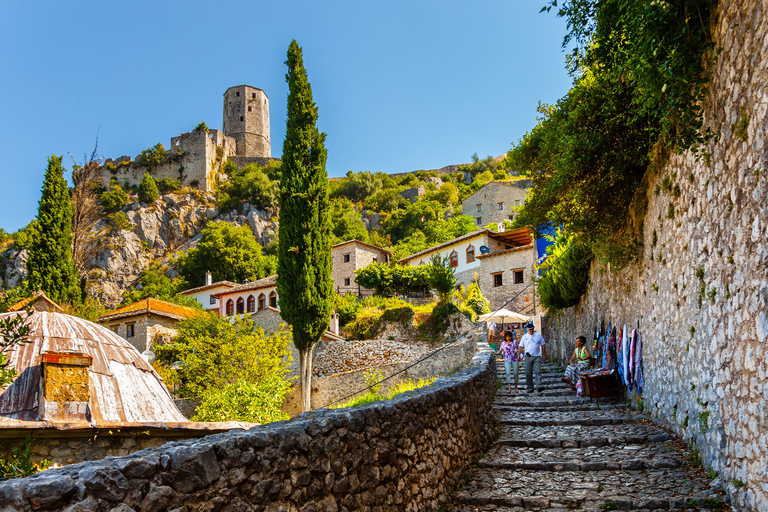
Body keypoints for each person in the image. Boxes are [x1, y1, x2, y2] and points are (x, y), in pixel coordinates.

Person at [518, 323, 546, 393]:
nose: (531, 330)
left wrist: (544, 354)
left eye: (532, 329)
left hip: (537, 356)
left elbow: (543, 344)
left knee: (538, 371)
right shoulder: (524, 337)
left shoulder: (538, 335)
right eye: (530, 329)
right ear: (527, 329)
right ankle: (530, 387)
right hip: (528, 357)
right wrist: (519, 355)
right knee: (528, 373)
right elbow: (521, 346)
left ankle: (539, 386)